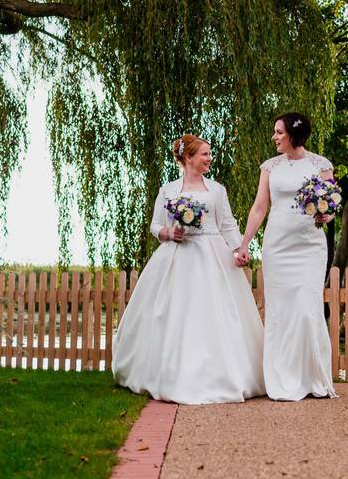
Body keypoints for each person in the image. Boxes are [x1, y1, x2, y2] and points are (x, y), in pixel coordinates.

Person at [111, 134, 265, 404]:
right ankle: (168, 373)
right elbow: (155, 225)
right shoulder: (168, 190)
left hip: (213, 255)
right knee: (172, 314)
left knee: (217, 313)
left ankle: (225, 374)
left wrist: (239, 248)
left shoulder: (217, 190)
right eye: (205, 154)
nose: (209, 158)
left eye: (209, 153)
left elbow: (227, 224)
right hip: (177, 256)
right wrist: (168, 233)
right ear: (188, 158)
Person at [236, 112, 339, 400]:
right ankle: (282, 378)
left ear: (294, 134)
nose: (274, 137)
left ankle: (312, 378)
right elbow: (259, 208)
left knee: (307, 309)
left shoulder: (321, 165)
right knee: (280, 312)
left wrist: (325, 214)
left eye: (279, 132)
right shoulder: (270, 167)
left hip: (309, 246)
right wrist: (244, 243)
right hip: (278, 246)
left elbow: (331, 207)